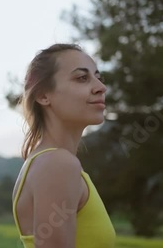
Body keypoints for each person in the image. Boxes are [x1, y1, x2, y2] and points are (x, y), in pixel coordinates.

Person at [12, 43, 116, 247]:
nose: (101, 87)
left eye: (98, 77)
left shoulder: (48, 162)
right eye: (82, 78)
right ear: (43, 95)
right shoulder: (58, 164)